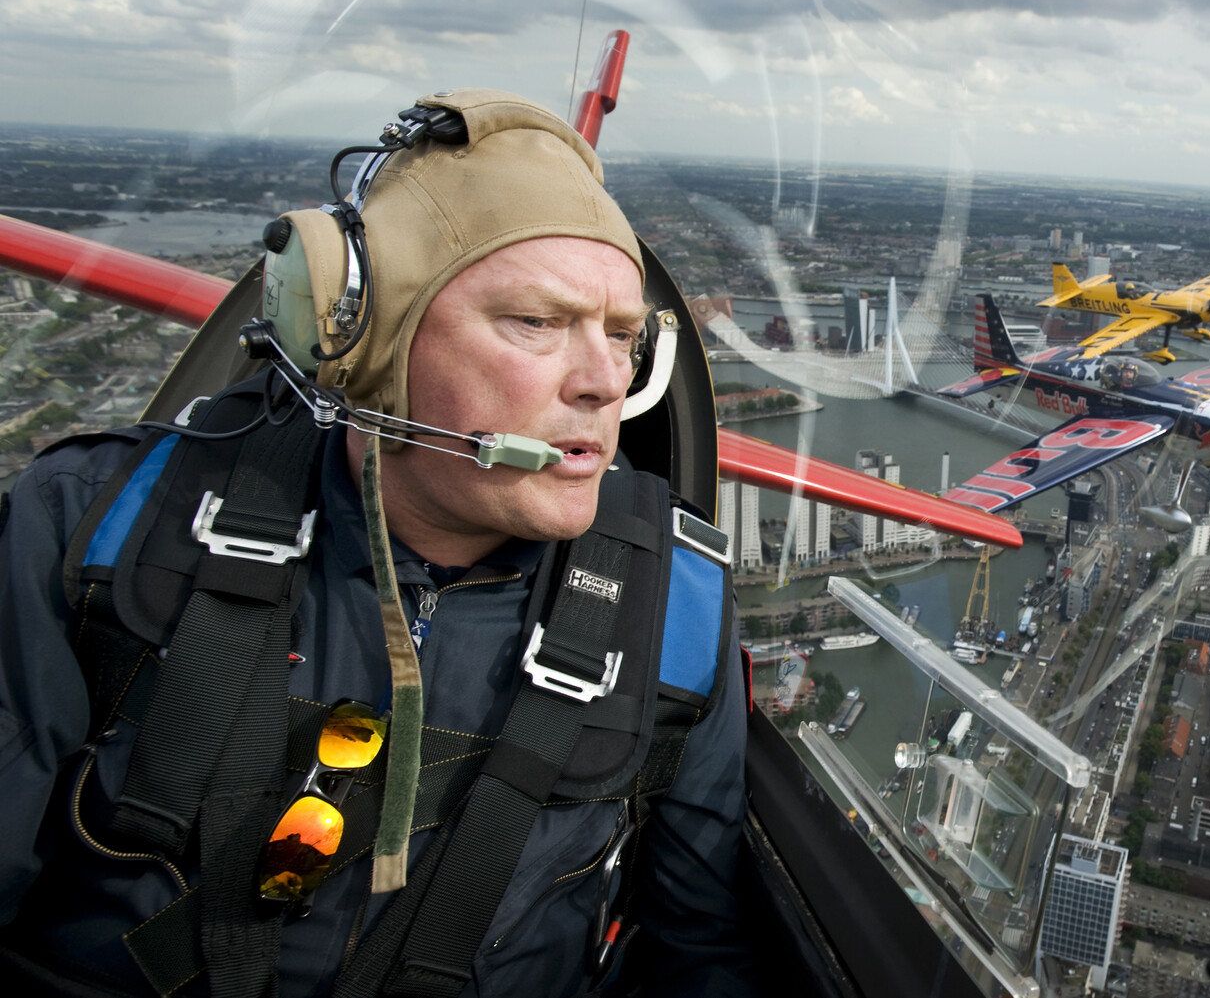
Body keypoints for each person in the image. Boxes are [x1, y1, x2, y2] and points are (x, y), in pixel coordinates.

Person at [0, 90, 753, 997]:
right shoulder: (97, 523)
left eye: (624, 335)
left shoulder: (677, 607)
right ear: (365, 340)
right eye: (537, 322)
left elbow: (694, 953)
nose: (603, 383)